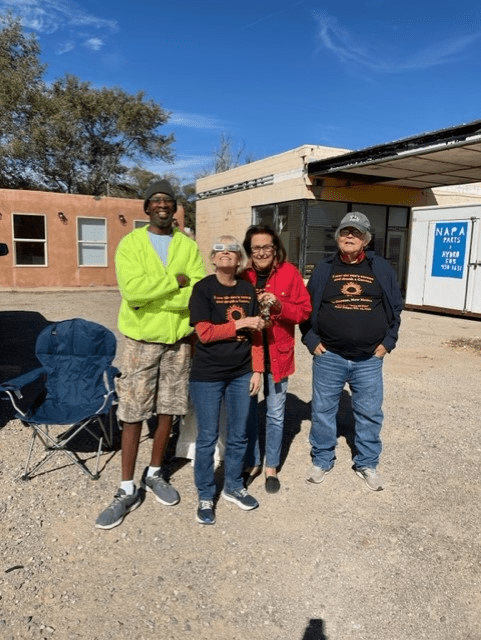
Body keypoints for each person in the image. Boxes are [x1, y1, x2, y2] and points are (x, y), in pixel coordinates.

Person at [96, 180, 206, 529]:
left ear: (175, 208)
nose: (162, 205)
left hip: (179, 342)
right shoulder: (131, 244)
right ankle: (126, 488)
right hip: (141, 341)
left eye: (168, 201)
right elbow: (133, 293)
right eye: (155, 200)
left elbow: (198, 291)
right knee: (133, 412)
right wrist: (175, 283)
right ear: (146, 208)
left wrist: (160, 298)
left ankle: (155, 472)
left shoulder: (188, 246)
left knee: (168, 410)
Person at [301, 212, 402, 491]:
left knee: (369, 412)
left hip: (369, 358)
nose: (349, 236)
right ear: (338, 237)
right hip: (329, 356)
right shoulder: (324, 268)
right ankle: (322, 459)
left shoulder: (381, 268)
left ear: (366, 240)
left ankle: (367, 463)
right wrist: (311, 340)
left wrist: (387, 343)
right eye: (345, 231)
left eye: (356, 233)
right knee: (322, 411)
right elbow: (306, 308)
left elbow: (396, 308)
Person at [189, 235, 265, 525]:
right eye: (219, 249)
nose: (225, 253)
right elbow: (205, 333)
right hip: (207, 375)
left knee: (239, 433)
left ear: (239, 259)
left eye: (232, 249)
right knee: (207, 437)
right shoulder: (203, 289)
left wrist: (257, 370)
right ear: (212, 258)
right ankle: (206, 494)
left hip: (242, 372)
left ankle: (233, 486)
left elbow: (257, 333)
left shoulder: (247, 289)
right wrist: (240, 323)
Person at [242, 225, 311, 493]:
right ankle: (252, 462)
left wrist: (280, 306)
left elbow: (304, 312)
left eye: (267, 247)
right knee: (248, 413)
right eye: (256, 248)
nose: (262, 253)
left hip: (278, 355)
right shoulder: (243, 275)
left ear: (275, 248)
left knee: (275, 414)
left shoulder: (289, 273)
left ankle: (271, 466)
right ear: (249, 250)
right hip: (249, 356)